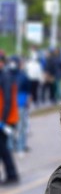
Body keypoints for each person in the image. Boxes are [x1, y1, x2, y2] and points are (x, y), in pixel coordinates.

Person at [0, 51, 20, 185]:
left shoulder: (5, 77)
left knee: (3, 148)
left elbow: (7, 100)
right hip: (4, 118)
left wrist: (2, 120)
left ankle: (12, 175)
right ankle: (11, 174)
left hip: (6, 119)